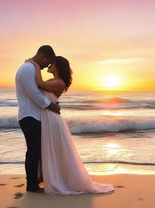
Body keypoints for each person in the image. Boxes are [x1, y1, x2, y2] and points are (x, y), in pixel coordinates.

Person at [26, 56, 114, 195]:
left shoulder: (59, 83)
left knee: (56, 150)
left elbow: (38, 83)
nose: (49, 64)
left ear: (58, 67)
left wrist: (35, 65)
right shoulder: (53, 81)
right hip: (48, 117)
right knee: (50, 150)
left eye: (52, 63)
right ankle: (47, 178)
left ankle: (60, 180)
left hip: (53, 120)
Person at [15, 45, 61, 192]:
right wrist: (51, 106)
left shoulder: (29, 68)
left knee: (37, 150)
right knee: (33, 151)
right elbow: (34, 94)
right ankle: (31, 185)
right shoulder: (27, 69)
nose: (44, 67)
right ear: (43, 56)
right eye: (46, 63)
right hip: (29, 116)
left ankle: (37, 180)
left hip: (32, 115)